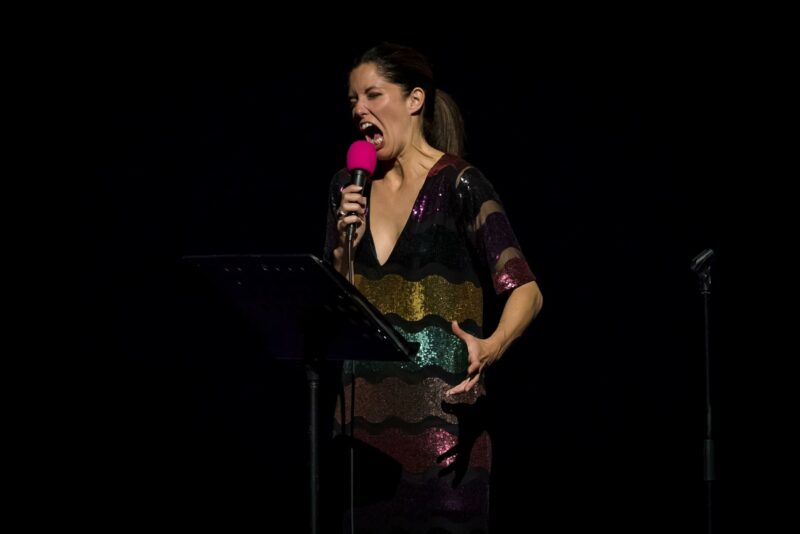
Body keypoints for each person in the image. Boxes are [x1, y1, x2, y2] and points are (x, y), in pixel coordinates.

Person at [323, 43, 543, 533]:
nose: (359, 109)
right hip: (360, 443)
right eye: (353, 99)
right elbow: (333, 310)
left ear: (415, 99)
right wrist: (340, 248)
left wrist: (492, 345)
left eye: (373, 94)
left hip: (443, 440)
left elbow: (527, 289)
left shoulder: (460, 184)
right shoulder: (347, 188)